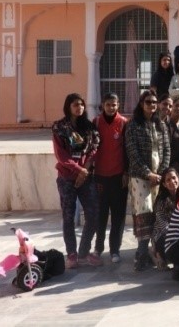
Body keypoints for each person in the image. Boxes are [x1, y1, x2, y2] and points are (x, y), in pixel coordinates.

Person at [53, 93, 102, 269]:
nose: (79, 108)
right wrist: (78, 170)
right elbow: (61, 155)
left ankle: (83, 252)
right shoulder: (60, 127)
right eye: (75, 105)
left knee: (93, 214)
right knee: (68, 217)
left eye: (81, 104)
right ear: (68, 106)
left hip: (86, 177)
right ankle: (72, 254)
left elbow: (94, 149)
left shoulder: (89, 127)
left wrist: (85, 170)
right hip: (67, 178)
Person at [125, 90, 171, 271]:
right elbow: (132, 153)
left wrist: (160, 174)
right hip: (140, 177)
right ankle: (141, 253)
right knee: (144, 213)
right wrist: (148, 174)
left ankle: (155, 252)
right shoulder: (133, 125)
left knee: (157, 213)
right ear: (141, 104)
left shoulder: (161, 125)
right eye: (148, 102)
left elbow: (167, 150)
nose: (151, 105)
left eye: (154, 102)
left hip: (158, 177)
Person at [92, 92, 128, 264]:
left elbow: (127, 151)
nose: (111, 108)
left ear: (118, 105)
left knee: (118, 216)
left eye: (114, 105)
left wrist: (126, 173)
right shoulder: (96, 122)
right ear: (103, 105)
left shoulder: (124, 123)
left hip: (118, 177)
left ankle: (115, 250)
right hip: (100, 176)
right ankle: (98, 248)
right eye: (108, 104)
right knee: (101, 215)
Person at [151, 167, 179, 268]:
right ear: (164, 184)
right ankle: (158, 254)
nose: (172, 181)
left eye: (174, 178)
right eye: (168, 180)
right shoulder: (161, 201)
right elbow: (163, 226)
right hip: (164, 234)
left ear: (178, 178)